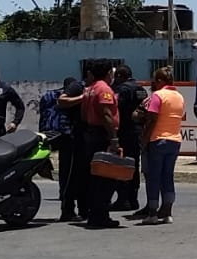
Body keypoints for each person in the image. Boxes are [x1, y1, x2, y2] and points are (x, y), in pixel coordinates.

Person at [133, 66, 185, 226]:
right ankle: (167, 212)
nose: (153, 83)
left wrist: (145, 140)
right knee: (167, 177)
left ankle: (152, 213)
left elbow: (152, 120)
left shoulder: (158, 96)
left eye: (155, 80)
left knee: (153, 177)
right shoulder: (179, 96)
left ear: (160, 81)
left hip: (158, 140)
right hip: (175, 141)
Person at [80, 60, 121, 229]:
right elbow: (106, 114)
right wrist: (113, 138)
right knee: (106, 177)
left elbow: (83, 114)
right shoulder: (103, 89)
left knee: (95, 176)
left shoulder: (89, 89)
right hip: (102, 136)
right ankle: (101, 214)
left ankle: (94, 213)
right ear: (107, 73)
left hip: (90, 134)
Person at [43, 77, 88, 222]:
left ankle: (80, 209)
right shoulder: (76, 93)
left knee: (74, 175)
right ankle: (68, 210)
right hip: (70, 140)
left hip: (71, 140)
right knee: (69, 176)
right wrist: (83, 97)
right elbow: (62, 102)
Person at [112, 65, 149, 212]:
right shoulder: (141, 90)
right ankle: (133, 199)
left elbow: (116, 110)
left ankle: (123, 200)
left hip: (124, 132)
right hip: (138, 132)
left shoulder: (122, 90)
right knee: (134, 166)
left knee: (122, 166)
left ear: (120, 76)